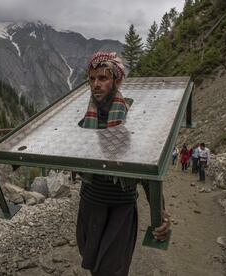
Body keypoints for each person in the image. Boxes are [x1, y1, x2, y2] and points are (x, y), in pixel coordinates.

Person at [76, 52, 171, 276]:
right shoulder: (82, 118)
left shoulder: (134, 119)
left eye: (103, 78)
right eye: (92, 79)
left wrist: (161, 210)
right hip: (90, 204)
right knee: (93, 264)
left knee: (113, 270)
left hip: (120, 206)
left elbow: (147, 165)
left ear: (116, 81)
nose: (96, 85)